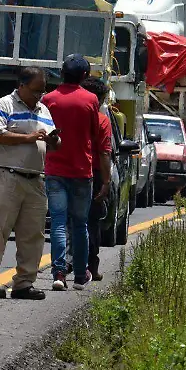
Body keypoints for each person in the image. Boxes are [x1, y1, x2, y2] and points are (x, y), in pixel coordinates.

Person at [0, 67, 60, 300]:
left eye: (43, 90)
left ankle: (24, 283)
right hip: (8, 175)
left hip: (35, 178)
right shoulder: (4, 105)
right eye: (36, 90)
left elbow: (53, 142)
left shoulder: (44, 110)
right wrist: (29, 138)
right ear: (22, 85)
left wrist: (54, 139)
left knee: (33, 234)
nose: (40, 95)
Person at [42, 56, 107, 291]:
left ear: (62, 73)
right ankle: (80, 275)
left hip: (55, 169)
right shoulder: (90, 100)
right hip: (82, 170)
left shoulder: (48, 99)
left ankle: (59, 273)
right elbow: (93, 133)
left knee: (58, 222)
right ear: (85, 76)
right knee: (80, 224)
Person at [79, 76, 114, 282]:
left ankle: (66, 264)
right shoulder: (102, 120)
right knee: (92, 222)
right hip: (93, 174)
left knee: (68, 221)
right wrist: (107, 181)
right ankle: (91, 264)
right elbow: (104, 153)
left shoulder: (69, 115)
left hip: (68, 172)